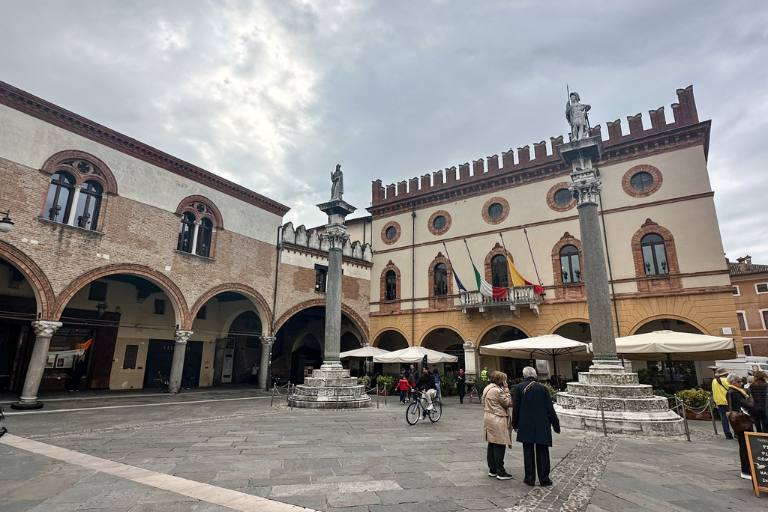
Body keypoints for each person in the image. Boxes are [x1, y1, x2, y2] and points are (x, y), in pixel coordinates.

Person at [512, 366, 560, 486]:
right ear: (535, 375)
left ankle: (529, 478)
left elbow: (515, 408)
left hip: (525, 424)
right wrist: (556, 425)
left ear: (524, 376)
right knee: (543, 451)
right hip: (542, 424)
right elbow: (550, 408)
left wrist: (515, 424)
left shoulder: (518, 388)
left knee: (528, 451)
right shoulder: (543, 388)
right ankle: (544, 478)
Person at [482, 371, 513, 480]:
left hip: (489, 417)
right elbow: (509, 402)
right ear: (500, 380)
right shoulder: (497, 391)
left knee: (492, 444)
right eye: (504, 379)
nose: (505, 381)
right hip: (497, 418)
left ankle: (492, 469)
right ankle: (500, 471)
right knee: (500, 445)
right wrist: (507, 390)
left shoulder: (488, 388)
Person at [726, 374, 756, 480]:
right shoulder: (733, 392)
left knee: (746, 445)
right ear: (733, 382)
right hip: (741, 421)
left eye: (741, 381)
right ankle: (746, 470)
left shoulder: (737, 391)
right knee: (744, 445)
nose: (741, 383)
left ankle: (748, 469)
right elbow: (745, 404)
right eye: (739, 381)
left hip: (743, 420)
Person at [711, 367, 733, 439]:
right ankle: (736, 433)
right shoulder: (726, 380)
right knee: (733, 417)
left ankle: (728, 435)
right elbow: (731, 389)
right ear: (725, 374)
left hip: (719, 402)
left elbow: (714, 392)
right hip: (728, 402)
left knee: (724, 419)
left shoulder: (714, 381)